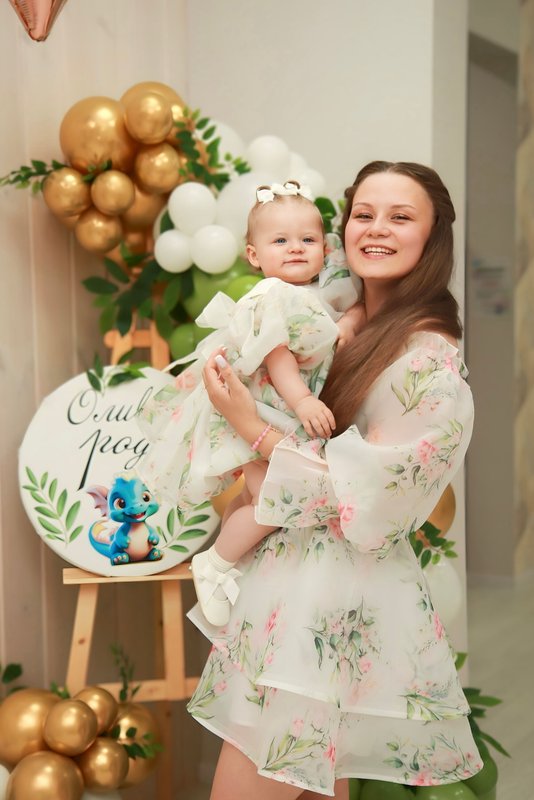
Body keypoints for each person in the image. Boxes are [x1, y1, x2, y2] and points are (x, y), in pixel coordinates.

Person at [186, 161, 483, 800]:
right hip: (295, 589)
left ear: (433, 236)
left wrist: (251, 427)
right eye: (363, 214)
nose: (376, 229)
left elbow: (368, 497)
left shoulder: (428, 361)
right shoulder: (331, 316)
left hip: (331, 605)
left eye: (400, 217)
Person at [138, 181, 363, 625]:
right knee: (271, 503)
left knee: (254, 495)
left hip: (273, 408)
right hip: (266, 407)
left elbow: (345, 306)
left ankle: (229, 562)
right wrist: (303, 402)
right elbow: (278, 358)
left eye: (307, 239)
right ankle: (215, 563)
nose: (295, 248)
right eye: (280, 241)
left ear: (324, 248)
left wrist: (351, 320)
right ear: (254, 255)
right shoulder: (272, 296)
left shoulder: (312, 294)